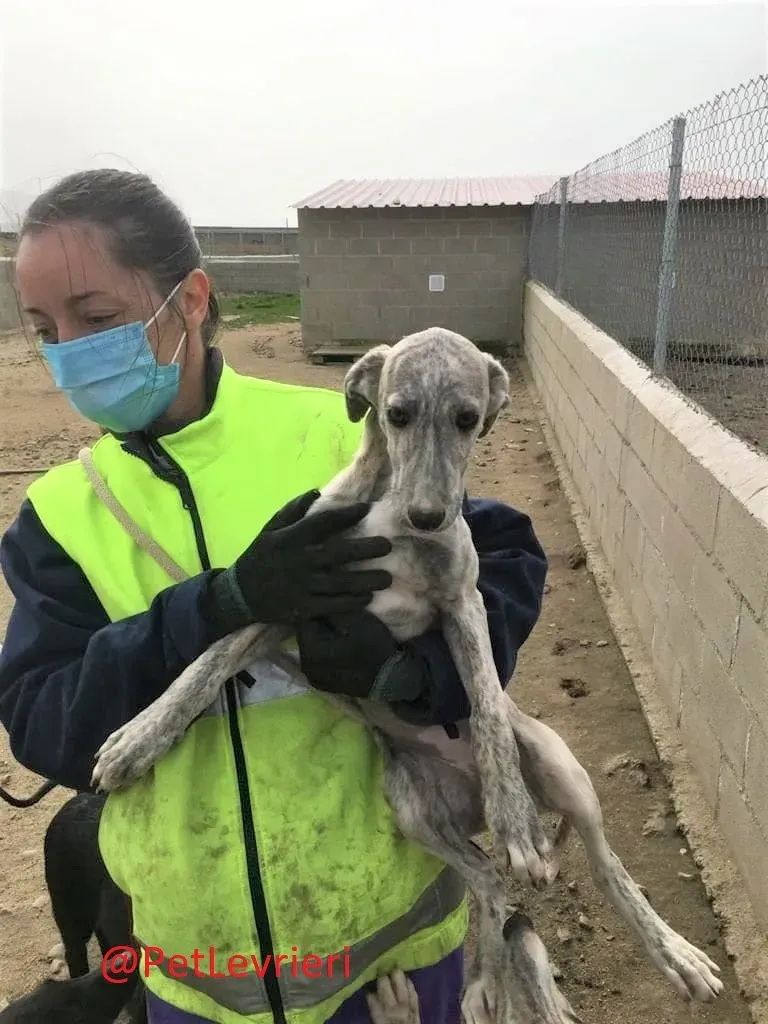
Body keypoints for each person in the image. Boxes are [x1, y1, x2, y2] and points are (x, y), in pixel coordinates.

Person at [0, 169, 548, 1024]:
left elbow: (506, 557)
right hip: (199, 981)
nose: (70, 350)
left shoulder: (344, 429)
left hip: (390, 958)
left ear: (189, 301)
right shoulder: (61, 517)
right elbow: (46, 723)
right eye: (45, 330)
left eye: (97, 319)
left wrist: (411, 673)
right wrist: (219, 604)